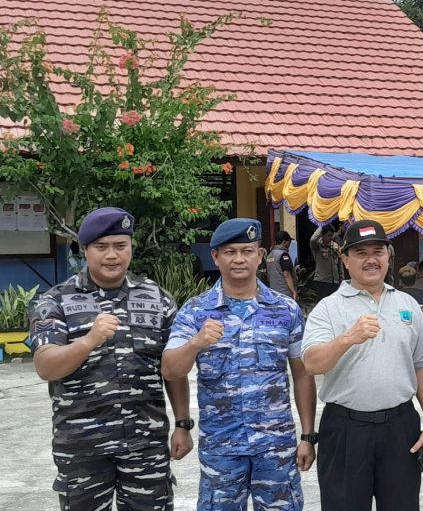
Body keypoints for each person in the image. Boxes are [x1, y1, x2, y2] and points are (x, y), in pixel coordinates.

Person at [28, 207, 193, 511]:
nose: (112, 255)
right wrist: (89, 340)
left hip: (145, 442)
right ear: (85, 250)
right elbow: (46, 366)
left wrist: (183, 423)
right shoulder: (56, 300)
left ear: (131, 248)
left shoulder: (157, 298)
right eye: (101, 247)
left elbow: (172, 369)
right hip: (81, 445)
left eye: (120, 246)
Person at [163, 218, 316, 510]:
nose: (239, 259)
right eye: (230, 252)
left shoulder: (286, 310)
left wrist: (307, 435)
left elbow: (303, 373)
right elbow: (171, 370)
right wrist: (196, 342)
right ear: (216, 257)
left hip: (275, 448)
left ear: (260, 256)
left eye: (247, 251)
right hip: (221, 448)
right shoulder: (196, 311)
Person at [302, 219, 423, 511]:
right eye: (361, 253)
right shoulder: (328, 308)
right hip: (346, 429)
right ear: (345, 258)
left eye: (378, 251)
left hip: (400, 428)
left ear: (389, 255)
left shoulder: (408, 305)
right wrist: (348, 338)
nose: (371, 259)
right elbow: (312, 363)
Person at [265, 229, 298, 301]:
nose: (290, 244)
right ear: (284, 242)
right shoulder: (283, 255)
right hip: (284, 292)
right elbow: (286, 274)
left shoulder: (270, 255)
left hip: (273, 292)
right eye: (289, 242)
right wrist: (293, 291)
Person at [309, 225, 341, 301]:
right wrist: (322, 224)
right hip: (322, 282)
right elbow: (312, 239)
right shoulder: (317, 246)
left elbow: (339, 266)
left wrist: (341, 281)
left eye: (332, 236)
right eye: (329, 235)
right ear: (322, 235)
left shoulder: (334, 248)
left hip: (334, 283)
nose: (331, 238)